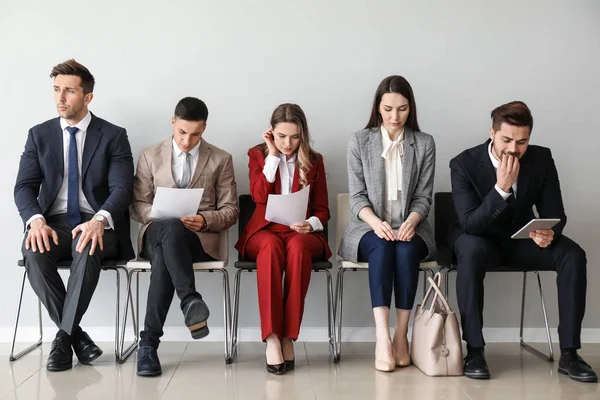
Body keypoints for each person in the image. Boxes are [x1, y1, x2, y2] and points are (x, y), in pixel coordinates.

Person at [449, 101, 597, 382]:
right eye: (506, 139)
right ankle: (475, 351)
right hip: (479, 240)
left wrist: (549, 231)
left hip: (521, 239)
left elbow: (556, 213)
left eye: (522, 141)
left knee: (572, 254)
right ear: (491, 133)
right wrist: (501, 188)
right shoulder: (463, 163)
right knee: (469, 249)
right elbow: (470, 223)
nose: (514, 149)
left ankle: (570, 354)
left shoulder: (541, 159)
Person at [14, 59, 135, 371]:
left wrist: (98, 220)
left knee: (86, 243)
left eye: (69, 91)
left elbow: (122, 189)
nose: (60, 98)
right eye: (56, 90)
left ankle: (63, 341)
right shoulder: (39, 135)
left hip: (99, 226)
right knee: (33, 249)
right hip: (52, 226)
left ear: (87, 97)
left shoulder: (113, 135)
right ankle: (75, 336)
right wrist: (36, 220)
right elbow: (24, 188)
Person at [131, 97, 239, 376]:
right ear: (172, 123)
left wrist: (205, 220)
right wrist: (159, 213)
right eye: (182, 132)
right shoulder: (149, 155)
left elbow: (231, 210)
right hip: (156, 232)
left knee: (166, 256)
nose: (187, 140)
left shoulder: (220, 159)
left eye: (195, 134)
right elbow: (136, 204)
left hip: (197, 240)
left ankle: (148, 346)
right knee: (169, 230)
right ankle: (189, 299)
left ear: (204, 128)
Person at [338, 75, 436, 372]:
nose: (395, 116)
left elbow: (423, 196)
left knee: (406, 251)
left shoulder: (424, 143)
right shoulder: (360, 140)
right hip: (368, 227)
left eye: (403, 109)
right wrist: (376, 222)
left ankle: (401, 335)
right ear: (378, 108)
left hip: (411, 226)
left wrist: (412, 220)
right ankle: (382, 335)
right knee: (382, 247)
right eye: (389, 108)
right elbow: (356, 197)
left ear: (411, 108)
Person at [235, 103, 331, 374]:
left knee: (299, 248)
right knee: (269, 248)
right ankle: (272, 337)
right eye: (281, 137)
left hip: (301, 233)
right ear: (271, 133)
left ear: (303, 134)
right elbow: (258, 197)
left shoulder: (315, 160)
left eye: (294, 137)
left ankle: (289, 335)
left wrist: (310, 224)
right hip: (264, 231)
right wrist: (273, 156)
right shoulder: (257, 155)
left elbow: (323, 210)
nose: (288, 143)